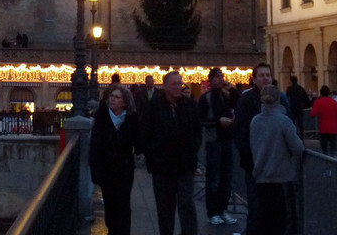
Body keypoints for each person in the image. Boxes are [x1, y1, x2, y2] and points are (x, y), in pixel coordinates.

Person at [143, 70, 201, 235]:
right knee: (165, 207)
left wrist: (193, 149)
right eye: (174, 84)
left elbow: (197, 130)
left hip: (185, 164)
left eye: (180, 83)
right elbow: (145, 133)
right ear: (165, 86)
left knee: (186, 204)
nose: (178, 87)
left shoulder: (189, 105)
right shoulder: (154, 106)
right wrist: (153, 155)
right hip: (162, 167)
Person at [250, 85, 304, 235]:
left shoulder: (255, 121)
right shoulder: (283, 121)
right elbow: (298, 147)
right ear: (279, 100)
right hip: (281, 178)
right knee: (282, 221)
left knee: (266, 220)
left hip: (261, 177)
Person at [90, 85, 141, 235]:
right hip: (107, 169)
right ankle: (112, 230)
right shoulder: (102, 118)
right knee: (110, 204)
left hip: (125, 169)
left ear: (124, 102)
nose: (112, 99)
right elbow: (95, 145)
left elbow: (138, 141)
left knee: (123, 204)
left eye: (117, 97)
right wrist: (95, 169)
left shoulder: (131, 119)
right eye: (111, 96)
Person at [233, 61, 276, 235]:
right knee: (256, 205)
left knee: (271, 206)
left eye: (268, 75)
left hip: (274, 162)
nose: (265, 78)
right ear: (254, 79)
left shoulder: (276, 97)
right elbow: (241, 130)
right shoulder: (247, 99)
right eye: (262, 75)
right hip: (255, 162)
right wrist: (249, 155)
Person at [197, 68, 238, 226]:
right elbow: (200, 120)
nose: (220, 79)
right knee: (213, 178)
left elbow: (237, 102)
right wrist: (217, 122)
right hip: (213, 140)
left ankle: (222, 209)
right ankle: (212, 212)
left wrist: (232, 88)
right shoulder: (205, 98)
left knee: (226, 178)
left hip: (227, 139)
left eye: (222, 76)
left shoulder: (226, 95)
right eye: (217, 77)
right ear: (210, 80)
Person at [310, 85, 337, 157]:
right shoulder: (333, 102)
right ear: (328, 93)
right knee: (333, 148)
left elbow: (312, 114)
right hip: (333, 128)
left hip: (323, 128)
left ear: (321, 93)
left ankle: (326, 164)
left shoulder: (318, 102)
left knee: (324, 150)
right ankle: (334, 161)